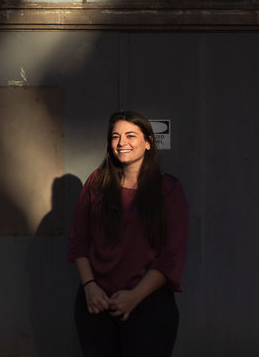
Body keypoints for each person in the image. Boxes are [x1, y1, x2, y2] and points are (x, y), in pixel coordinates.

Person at [67, 110, 189, 357]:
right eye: (115, 136)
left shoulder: (169, 190)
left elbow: (171, 256)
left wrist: (134, 297)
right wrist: (89, 287)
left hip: (149, 306)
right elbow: (79, 241)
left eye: (131, 135)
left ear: (148, 142)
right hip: (96, 305)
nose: (122, 143)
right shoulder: (96, 183)